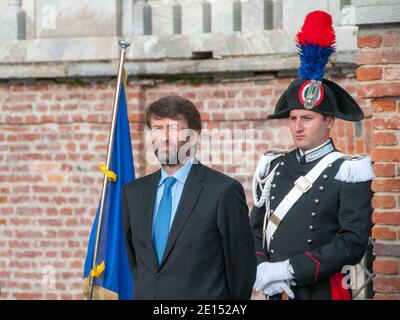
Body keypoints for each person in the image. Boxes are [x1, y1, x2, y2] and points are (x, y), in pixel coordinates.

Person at [250, 10, 374, 300]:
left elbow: (352, 243)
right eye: (293, 118)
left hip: (323, 292)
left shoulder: (348, 170)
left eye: (307, 118)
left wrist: (288, 270)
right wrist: (263, 268)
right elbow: (255, 229)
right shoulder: (274, 166)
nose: (298, 127)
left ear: (329, 121)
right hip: (274, 291)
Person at [122, 95, 256, 299]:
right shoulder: (133, 193)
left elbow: (242, 271)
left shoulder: (223, 191)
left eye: (174, 129)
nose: (165, 137)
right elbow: (136, 263)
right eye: (158, 128)